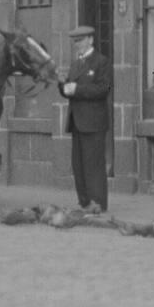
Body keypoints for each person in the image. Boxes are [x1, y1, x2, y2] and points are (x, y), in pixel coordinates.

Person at [59, 25, 112, 213]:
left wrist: (77, 90)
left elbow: (103, 89)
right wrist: (62, 84)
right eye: (75, 41)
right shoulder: (75, 64)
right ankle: (84, 202)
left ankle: (97, 204)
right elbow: (68, 90)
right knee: (79, 165)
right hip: (77, 122)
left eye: (80, 40)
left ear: (90, 40)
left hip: (94, 122)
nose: (77, 45)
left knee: (94, 165)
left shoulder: (101, 62)